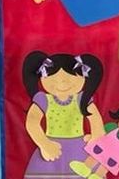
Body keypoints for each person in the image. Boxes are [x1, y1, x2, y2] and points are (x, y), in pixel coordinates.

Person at [22, 51, 105, 179]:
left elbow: (96, 120)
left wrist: (96, 137)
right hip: (51, 146)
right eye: (54, 80)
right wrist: (44, 144)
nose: (62, 84)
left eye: (69, 79)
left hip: (79, 149)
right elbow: (32, 122)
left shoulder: (82, 99)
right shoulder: (43, 100)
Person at [69, 105, 119, 179]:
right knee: (93, 157)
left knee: (105, 167)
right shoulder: (112, 127)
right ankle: (85, 167)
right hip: (101, 148)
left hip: (113, 157)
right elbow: (99, 133)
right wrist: (91, 136)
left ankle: (97, 176)